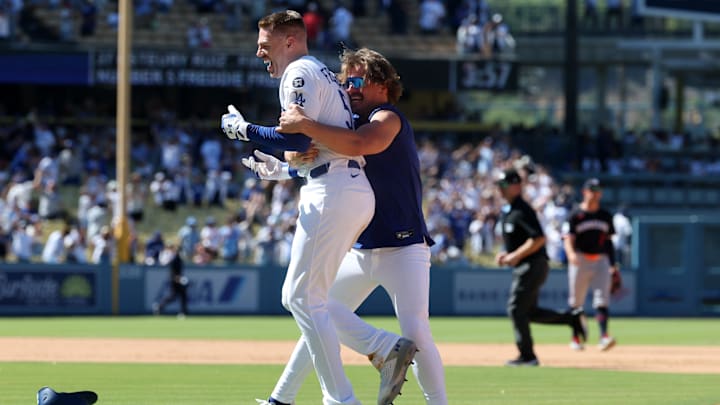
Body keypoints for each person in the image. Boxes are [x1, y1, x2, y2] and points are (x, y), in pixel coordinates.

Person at [221, 11, 415, 405]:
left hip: (335, 190)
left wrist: (242, 130)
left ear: (290, 40)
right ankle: (316, 390)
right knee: (307, 299)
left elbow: (291, 133)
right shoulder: (321, 73)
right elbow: (306, 148)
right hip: (340, 185)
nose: (259, 52)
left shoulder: (298, 74)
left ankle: (353, 385)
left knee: (303, 298)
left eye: (264, 43)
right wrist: (282, 168)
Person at [246, 47, 448, 404]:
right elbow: (307, 156)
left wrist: (306, 128)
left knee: (416, 331)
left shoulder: (388, 117)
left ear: (383, 85)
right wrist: (285, 167)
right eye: (344, 82)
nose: (349, 88)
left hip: (403, 246)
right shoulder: (342, 124)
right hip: (362, 247)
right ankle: (281, 398)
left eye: (357, 80)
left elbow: (360, 144)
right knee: (313, 309)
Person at [494, 168, 586, 367]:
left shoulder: (522, 209)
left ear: (516, 186)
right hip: (527, 264)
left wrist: (514, 256)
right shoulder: (509, 210)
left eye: (504, 185)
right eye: (498, 185)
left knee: (516, 308)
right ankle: (572, 319)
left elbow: (538, 238)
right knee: (529, 312)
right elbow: (518, 241)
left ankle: (528, 356)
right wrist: (506, 254)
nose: (500, 189)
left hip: (533, 264)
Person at [562, 178, 618, 351]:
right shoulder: (575, 215)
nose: (595, 194)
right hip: (580, 259)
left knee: (602, 300)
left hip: (600, 260)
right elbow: (568, 238)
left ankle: (603, 337)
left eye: (598, 190)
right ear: (584, 192)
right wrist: (571, 254)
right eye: (592, 190)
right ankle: (576, 338)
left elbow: (608, 242)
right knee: (576, 302)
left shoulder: (605, 216)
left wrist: (613, 264)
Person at [152, 244, 189, 318]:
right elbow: (173, 273)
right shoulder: (175, 259)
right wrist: (178, 279)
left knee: (182, 296)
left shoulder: (179, 259)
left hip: (179, 280)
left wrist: (181, 278)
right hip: (175, 280)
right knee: (173, 296)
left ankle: (183, 312)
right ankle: (159, 307)